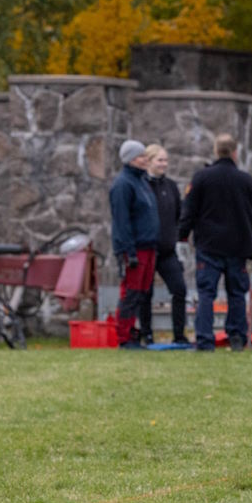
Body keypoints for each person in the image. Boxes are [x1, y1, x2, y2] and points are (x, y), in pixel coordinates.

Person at [178, 134, 252, 352]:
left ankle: (205, 340)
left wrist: (182, 234)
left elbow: (189, 210)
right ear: (235, 152)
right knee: (236, 293)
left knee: (206, 293)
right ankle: (236, 337)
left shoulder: (202, 178)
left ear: (216, 151)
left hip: (209, 245)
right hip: (238, 246)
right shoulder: (246, 180)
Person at [109, 139, 159, 349]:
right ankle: (124, 335)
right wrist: (129, 252)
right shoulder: (123, 185)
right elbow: (122, 222)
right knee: (130, 292)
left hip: (148, 246)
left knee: (142, 292)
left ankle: (134, 331)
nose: (145, 160)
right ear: (130, 159)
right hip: (135, 249)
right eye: (141, 157)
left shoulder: (141, 181)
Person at [138, 143, 189, 345]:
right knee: (145, 293)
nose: (164, 164)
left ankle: (179, 333)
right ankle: (146, 332)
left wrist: (176, 238)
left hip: (167, 250)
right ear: (149, 161)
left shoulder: (170, 187)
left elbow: (179, 215)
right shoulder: (141, 186)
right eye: (160, 160)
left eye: (166, 160)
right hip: (147, 248)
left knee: (179, 289)